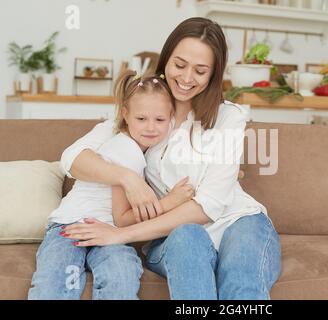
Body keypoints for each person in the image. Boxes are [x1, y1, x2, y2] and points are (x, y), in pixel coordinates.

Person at [62, 17, 282, 300]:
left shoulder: (229, 117)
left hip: (239, 222)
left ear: (213, 75)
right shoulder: (145, 109)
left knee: (241, 289)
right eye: (179, 65)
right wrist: (126, 178)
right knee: (187, 237)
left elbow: (209, 206)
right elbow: (71, 159)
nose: (187, 78)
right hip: (175, 236)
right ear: (166, 60)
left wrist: (120, 235)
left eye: (201, 71)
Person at [28, 71, 194, 300]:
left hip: (110, 234)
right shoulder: (127, 151)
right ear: (125, 115)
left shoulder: (147, 148)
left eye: (160, 120)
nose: (151, 128)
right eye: (141, 119)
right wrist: (170, 202)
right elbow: (122, 219)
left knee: (122, 276)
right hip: (72, 226)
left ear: (171, 118)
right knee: (54, 282)